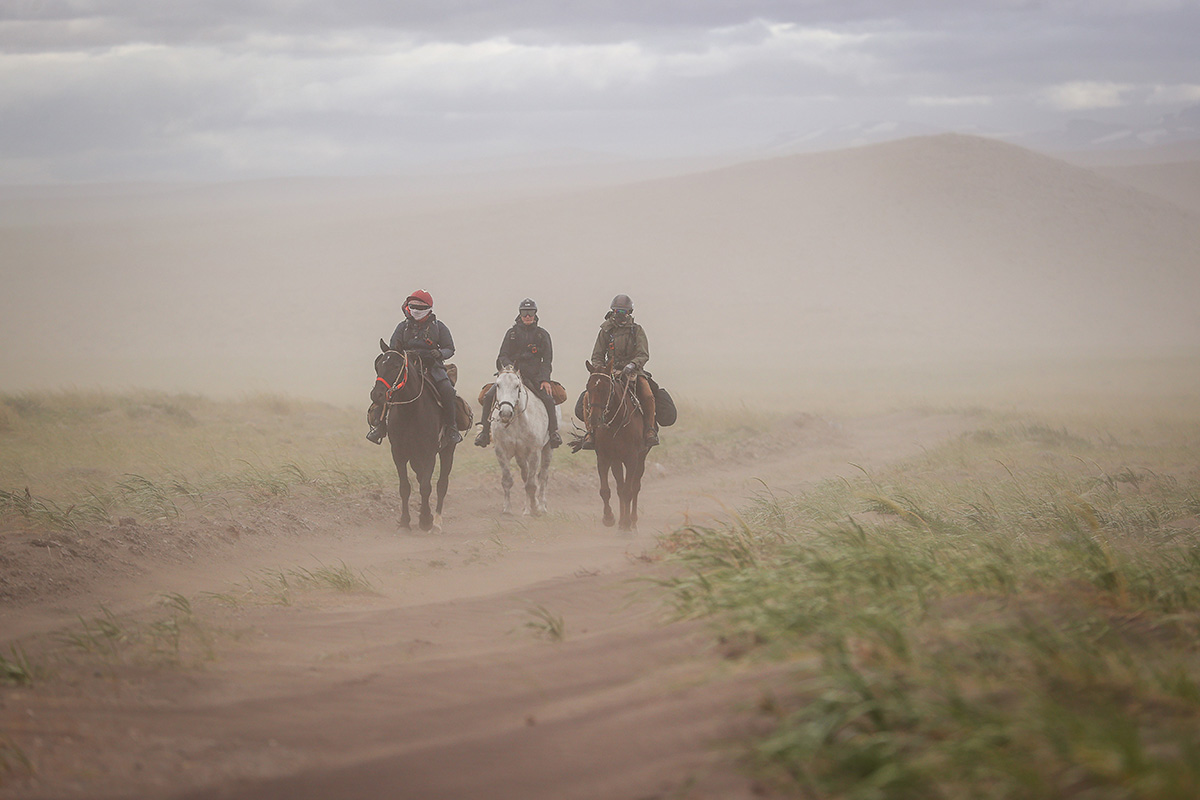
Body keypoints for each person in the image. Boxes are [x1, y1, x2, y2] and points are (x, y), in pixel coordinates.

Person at [365, 289, 463, 447]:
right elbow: (393, 349)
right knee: (387, 390)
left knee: (447, 390)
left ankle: (451, 428)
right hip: (406, 367)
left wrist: (439, 353)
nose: (416, 310)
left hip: (432, 366)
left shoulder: (439, 327)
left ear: (429, 308)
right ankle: (380, 427)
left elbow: (450, 348)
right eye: (413, 306)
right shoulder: (402, 327)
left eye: (420, 307)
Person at [476, 298, 561, 448]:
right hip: (512, 376)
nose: (527, 316)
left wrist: (545, 379)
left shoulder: (542, 335)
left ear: (535, 314)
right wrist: (510, 369)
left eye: (530, 313)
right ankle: (484, 432)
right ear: (520, 314)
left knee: (548, 399)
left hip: (534, 377)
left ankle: (553, 433)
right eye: (524, 313)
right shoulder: (511, 334)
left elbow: (547, 360)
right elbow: (502, 355)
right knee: (489, 396)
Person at [583, 293, 658, 450]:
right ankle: (590, 432)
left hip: (633, 371)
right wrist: (602, 370)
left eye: (624, 312)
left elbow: (643, 354)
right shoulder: (605, 331)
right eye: (617, 312)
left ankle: (650, 430)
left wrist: (632, 365)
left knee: (648, 395)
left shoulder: (637, 330)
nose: (620, 315)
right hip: (609, 372)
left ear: (630, 313)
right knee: (587, 397)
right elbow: (597, 355)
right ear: (613, 312)